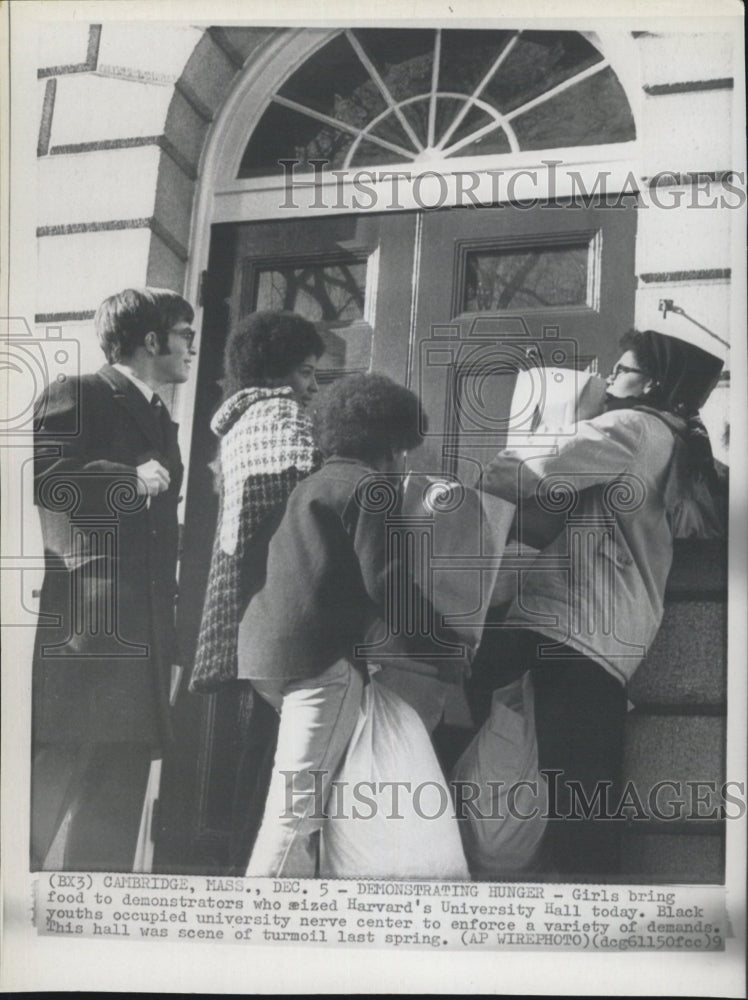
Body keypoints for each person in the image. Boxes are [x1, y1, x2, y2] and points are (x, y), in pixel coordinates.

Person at [470, 329, 724, 878]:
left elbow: (520, 471)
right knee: (587, 784)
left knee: (556, 777)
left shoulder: (630, 426)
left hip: (570, 622)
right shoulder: (675, 440)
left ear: (651, 383)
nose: (609, 377)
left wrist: (572, 415)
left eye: (622, 369)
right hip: (612, 634)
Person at [238, 373, 464, 877]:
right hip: (323, 663)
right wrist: (445, 649)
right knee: (297, 807)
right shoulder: (369, 488)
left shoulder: (311, 486)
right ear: (389, 442)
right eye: (403, 447)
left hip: (267, 656)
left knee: (308, 793)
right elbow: (387, 585)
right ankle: (253, 922)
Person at [31, 286, 196, 871]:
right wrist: (127, 477)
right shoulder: (78, 393)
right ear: (151, 340)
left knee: (117, 800)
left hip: (144, 636)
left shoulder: (161, 419)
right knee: (46, 792)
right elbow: (47, 481)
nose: (190, 349)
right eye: (184, 335)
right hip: (88, 633)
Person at [187, 311, 324, 869]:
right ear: (276, 372)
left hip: (248, 613)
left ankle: (243, 867)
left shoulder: (237, 425)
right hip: (283, 610)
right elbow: (312, 500)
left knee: (260, 756)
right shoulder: (282, 415)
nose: (314, 386)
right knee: (281, 764)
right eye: (308, 372)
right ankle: (256, 882)